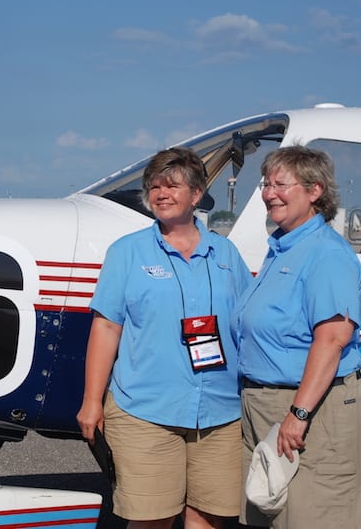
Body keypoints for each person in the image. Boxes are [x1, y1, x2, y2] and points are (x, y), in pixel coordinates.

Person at [76, 147, 252, 529]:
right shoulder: (127, 252)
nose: (161, 193)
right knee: (152, 520)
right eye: (154, 186)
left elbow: (246, 324)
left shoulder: (226, 254)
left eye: (172, 185)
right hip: (145, 410)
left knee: (208, 519)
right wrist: (92, 402)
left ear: (196, 194)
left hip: (220, 414)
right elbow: (106, 327)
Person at [230, 146, 361, 529]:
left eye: (280, 184)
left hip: (311, 408)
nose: (268, 192)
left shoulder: (326, 254)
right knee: (270, 512)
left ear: (315, 191)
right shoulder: (282, 248)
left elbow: (331, 339)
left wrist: (298, 414)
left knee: (316, 515)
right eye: (266, 183)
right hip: (265, 404)